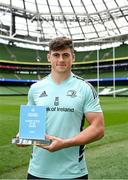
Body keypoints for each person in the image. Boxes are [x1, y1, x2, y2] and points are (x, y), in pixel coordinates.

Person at [18, 36, 104, 179]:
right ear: (49, 57)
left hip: (73, 172)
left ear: (73, 57)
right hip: (37, 171)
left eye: (65, 55)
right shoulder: (35, 88)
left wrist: (65, 143)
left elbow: (98, 129)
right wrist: (23, 137)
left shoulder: (85, 88)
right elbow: (30, 127)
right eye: (56, 55)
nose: (61, 60)